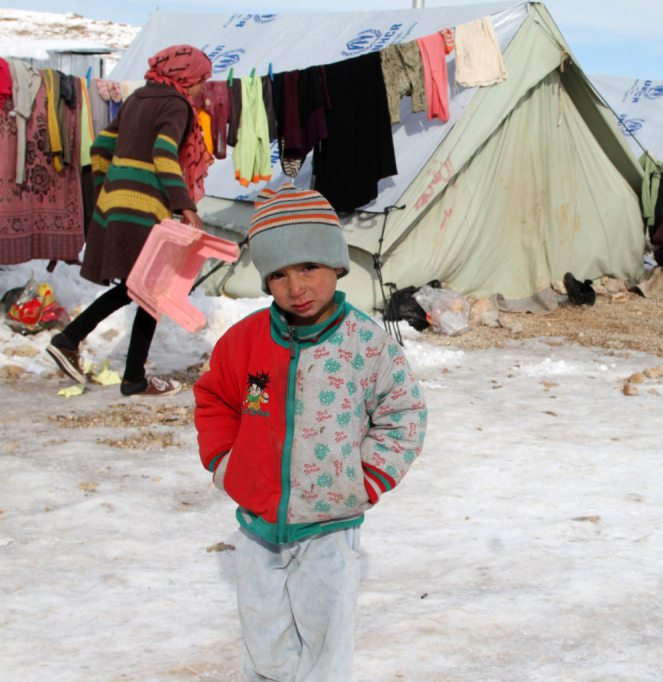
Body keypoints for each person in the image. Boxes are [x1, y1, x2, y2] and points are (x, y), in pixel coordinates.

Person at [193, 182, 428, 681]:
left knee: (325, 642)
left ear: (336, 265)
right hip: (258, 527)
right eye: (278, 274)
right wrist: (224, 463)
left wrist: (366, 478)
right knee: (264, 640)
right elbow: (215, 397)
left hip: (331, 527)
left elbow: (403, 413)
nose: (296, 287)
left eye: (309, 268)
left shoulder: (365, 344)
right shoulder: (244, 342)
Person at [46, 44, 213, 396]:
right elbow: (164, 152)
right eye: (201, 79)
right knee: (150, 288)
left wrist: (109, 187)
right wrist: (186, 206)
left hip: (116, 203)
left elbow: (101, 147)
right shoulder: (176, 104)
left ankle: (86, 349)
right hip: (142, 208)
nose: (202, 88)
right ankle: (112, 364)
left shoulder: (139, 97)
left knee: (140, 287)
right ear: (186, 77)